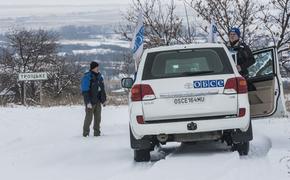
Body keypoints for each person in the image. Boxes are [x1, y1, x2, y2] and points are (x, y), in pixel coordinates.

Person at [81, 61, 106, 137]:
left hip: (98, 101)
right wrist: (87, 102)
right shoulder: (87, 77)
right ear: (93, 68)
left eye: (98, 67)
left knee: (98, 119)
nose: (98, 68)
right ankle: (85, 134)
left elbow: (102, 90)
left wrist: (104, 100)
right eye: (96, 67)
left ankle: (97, 133)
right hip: (90, 102)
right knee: (89, 118)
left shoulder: (100, 77)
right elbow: (85, 91)